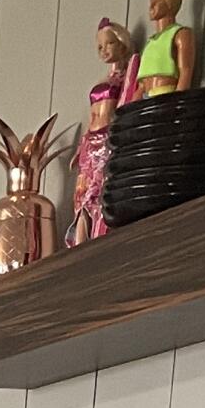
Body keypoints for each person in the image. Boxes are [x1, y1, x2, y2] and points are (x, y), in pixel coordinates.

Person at [69, 18, 136, 246]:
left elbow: (124, 105)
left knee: (98, 190)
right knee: (82, 192)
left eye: (108, 44)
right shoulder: (102, 81)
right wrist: (80, 148)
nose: (104, 50)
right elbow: (90, 117)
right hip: (92, 139)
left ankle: (97, 235)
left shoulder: (125, 79)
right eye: (100, 47)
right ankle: (79, 240)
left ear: (121, 44)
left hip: (108, 137)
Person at [131, 0, 199, 97]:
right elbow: (142, 85)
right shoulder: (150, 42)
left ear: (169, 3)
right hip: (146, 98)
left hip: (165, 94)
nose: (151, 7)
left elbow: (185, 71)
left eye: (156, 3)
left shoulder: (180, 34)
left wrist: (177, 101)